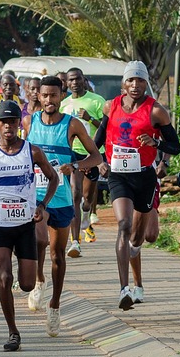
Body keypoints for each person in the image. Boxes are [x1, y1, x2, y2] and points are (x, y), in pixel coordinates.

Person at [0, 100, 58, 352]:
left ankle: (32, 277)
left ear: (19, 123)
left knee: (26, 284)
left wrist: (42, 205)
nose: (8, 126)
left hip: (25, 223)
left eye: (13, 122)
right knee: (4, 276)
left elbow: (53, 178)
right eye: (3, 122)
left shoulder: (32, 152)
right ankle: (13, 331)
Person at [22, 76, 104, 336]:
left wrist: (75, 166)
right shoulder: (30, 122)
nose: (49, 100)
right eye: (45, 95)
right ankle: (39, 279)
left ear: (61, 96)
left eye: (54, 95)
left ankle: (55, 305)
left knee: (57, 255)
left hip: (61, 198)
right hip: (36, 195)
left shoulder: (72, 124)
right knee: (39, 240)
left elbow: (96, 156)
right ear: (39, 96)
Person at [98, 61, 180, 310]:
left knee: (139, 237)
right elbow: (98, 139)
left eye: (140, 80)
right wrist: (99, 161)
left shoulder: (156, 111)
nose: (135, 85)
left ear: (146, 83)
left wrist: (156, 145)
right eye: (131, 80)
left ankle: (138, 281)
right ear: (124, 83)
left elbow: (175, 146)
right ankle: (124, 289)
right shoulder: (111, 106)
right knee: (123, 225)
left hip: (144, 177)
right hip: (118, 175)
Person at [61, 68, 106, 251]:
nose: (74, 83)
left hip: (92, 153)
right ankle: (75, 242)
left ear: (83, 80)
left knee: (87, 198)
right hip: (73, 154)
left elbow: (106, 127)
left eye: (77, 79)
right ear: (67, 83)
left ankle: (87, 213)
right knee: (75, 194)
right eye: (71, 80)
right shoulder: (63, 104)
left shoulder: (97, 100)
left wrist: (90, 118)